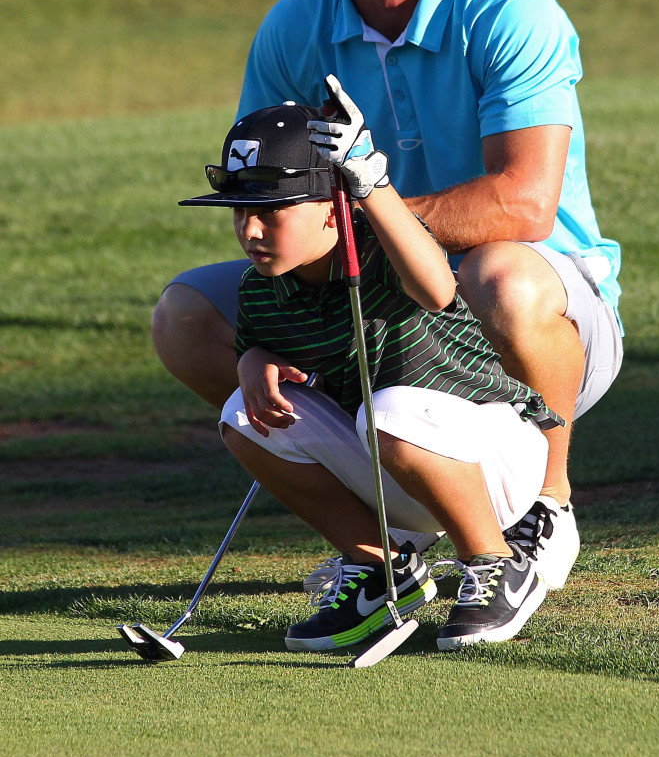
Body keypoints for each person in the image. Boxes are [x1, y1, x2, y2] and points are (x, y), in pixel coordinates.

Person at [155, 0, 623, 592]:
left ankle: (546, 503)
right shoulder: (295, 25)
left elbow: (523, 204)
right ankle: (381, 553)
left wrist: (371, 218)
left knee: (498, 279)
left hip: (539, 310)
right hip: (373, 299)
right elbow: (264, 191)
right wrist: (266, 342)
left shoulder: (506, 5)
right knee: (187, 318)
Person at [179, 83, 564, 651]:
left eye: (270, 211)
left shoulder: (382, 247)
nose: (250, 230)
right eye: (240, 211)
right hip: (398, 467)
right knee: (242, 414)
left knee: (389, 411)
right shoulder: (261, 290)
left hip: (497, 461)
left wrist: (373, 186)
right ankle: (382, 571)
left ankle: (496, 560)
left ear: (334, 210)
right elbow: (261, 355)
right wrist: (253, 361)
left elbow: (434, 288)